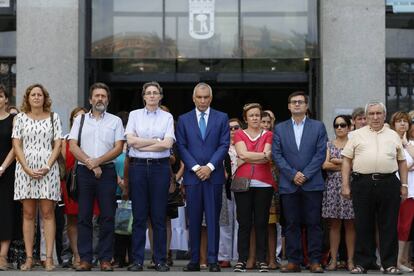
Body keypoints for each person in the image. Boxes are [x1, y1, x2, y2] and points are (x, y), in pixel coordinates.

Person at [341, 101, 408, 274]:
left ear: (384, 115)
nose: (375, 117)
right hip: (362, 183)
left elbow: (401, 161)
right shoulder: (356, 135)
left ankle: (389, 263)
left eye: (379, 113)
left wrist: (404, 185)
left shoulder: (393, 135)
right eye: (371, 114)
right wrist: (346, 184)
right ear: (366, 116)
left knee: (389, 224)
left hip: (389, 183)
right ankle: (363, 263)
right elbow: (347, 160)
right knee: (363, 224)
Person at [69, 82, 125, 271]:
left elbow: (118, 148)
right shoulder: (81, 120)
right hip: (85, 172)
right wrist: (90, 163)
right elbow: (73, 146)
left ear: (108, 99)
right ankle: (85, 259)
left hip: (107, 171)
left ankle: (105, 259)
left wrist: (98, 162)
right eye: (97, 96)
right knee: (84, 216)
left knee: (108, 216)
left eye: (103, 96)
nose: (100, 99)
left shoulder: (115, 121)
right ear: (90, 99)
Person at [176, 82, 230, 272]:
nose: (202, 100)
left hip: (213, 176)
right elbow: (181, 147)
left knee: (213, 219)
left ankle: (213, 260)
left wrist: (209, 167)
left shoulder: (221, 118)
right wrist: (197, 167)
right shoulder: (183, 119)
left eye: (206, 97)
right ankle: (194, 260)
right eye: (199, 97)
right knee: (194, 219)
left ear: (211, 98)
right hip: (193, 177)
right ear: (193, 98)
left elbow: (224, 145)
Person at [272, 91, 328, 273]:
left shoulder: (318, 127)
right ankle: (293, 261)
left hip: (312, 183)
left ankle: (314, 261)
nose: (297, 105)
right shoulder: (280, 128)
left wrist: (305, 174)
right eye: (293, 102)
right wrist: (292, 174)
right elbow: (277, 155)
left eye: (300, 102)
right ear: (288, 106)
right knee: (291, 224)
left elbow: (320, 154)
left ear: (306, 106)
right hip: (289, 184)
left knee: (314, 223)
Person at [125, 81, 175, 272]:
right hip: (138, 168)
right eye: (149, 93)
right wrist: (155, 141)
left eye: (155, 93)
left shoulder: (167, 117)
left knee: (159, 216)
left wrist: (142, 143)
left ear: (160, 96)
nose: (152, 96)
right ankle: (137, 260)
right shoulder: (134, 115)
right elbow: (130, 141)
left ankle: (160, 260)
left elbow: (167, 144)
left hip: (160, 168)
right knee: (138, 216)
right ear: (143, 96)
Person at [12, 84, 63, 271]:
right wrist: (25, 167)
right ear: (27, 98)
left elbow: (58, 144)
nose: (36, 97)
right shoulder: (19, 118)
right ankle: (29, 257)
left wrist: (48, 166)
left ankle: (48, 258)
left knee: (48, 213)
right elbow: (16, 145)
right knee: (28, 214)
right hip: (24, 168)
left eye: (39, 94)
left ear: (44, 98)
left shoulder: (53, 117)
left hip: (47, 169)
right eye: (33, 94)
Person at [232, 103, 276, 273]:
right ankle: (241, 260)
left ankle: (261, 260)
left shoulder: (269, 134)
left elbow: (268, 157)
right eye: (252, 115)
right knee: (244, 223)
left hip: (264, 183)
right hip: (243, 181)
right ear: (245, 118)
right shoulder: (239, 134)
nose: (255, 118)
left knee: (261, 223)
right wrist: (261, 156)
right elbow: (242, 154)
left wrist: (250, 157)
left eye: (257, 115)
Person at [321, 115, 355, 271]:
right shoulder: (329, 144)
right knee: (334, 225)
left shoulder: (354, 143)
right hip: (333, 186)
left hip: (350, 185)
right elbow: (325, 165)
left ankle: (350, 260)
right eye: (336, 125)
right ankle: (333, 260)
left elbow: (357, 164)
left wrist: (337, 161)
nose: (339, 128)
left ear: (349, 127)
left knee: (350, 225)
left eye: (343, 125)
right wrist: (346, 163)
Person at [389, 112, 414, 272]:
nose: (403, 124)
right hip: (393, 188)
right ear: (393, 124)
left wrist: (405, 143)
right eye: (399, 121)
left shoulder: (410, 143)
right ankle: (394, 261)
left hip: (410, 190)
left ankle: (401, 260)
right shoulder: (389, 141)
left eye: (405, 121)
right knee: (394, 226)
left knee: (406, 226)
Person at [218, 118, 242, 268]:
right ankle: (224, 256)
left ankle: (241, 256)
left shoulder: (245, 145)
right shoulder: (221, 147)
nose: (233, 131)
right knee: (224, 222)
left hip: (242, 185)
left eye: (236, 127)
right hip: (224, 187)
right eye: (230, 128)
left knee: (241, 222)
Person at [0, 85, 17, 270]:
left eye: (0, 96)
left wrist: (3, 167)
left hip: (7, 170)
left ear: (6, 99)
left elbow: (15, 146)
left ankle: (2, 256)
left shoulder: (14, 119)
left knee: (5, 212)